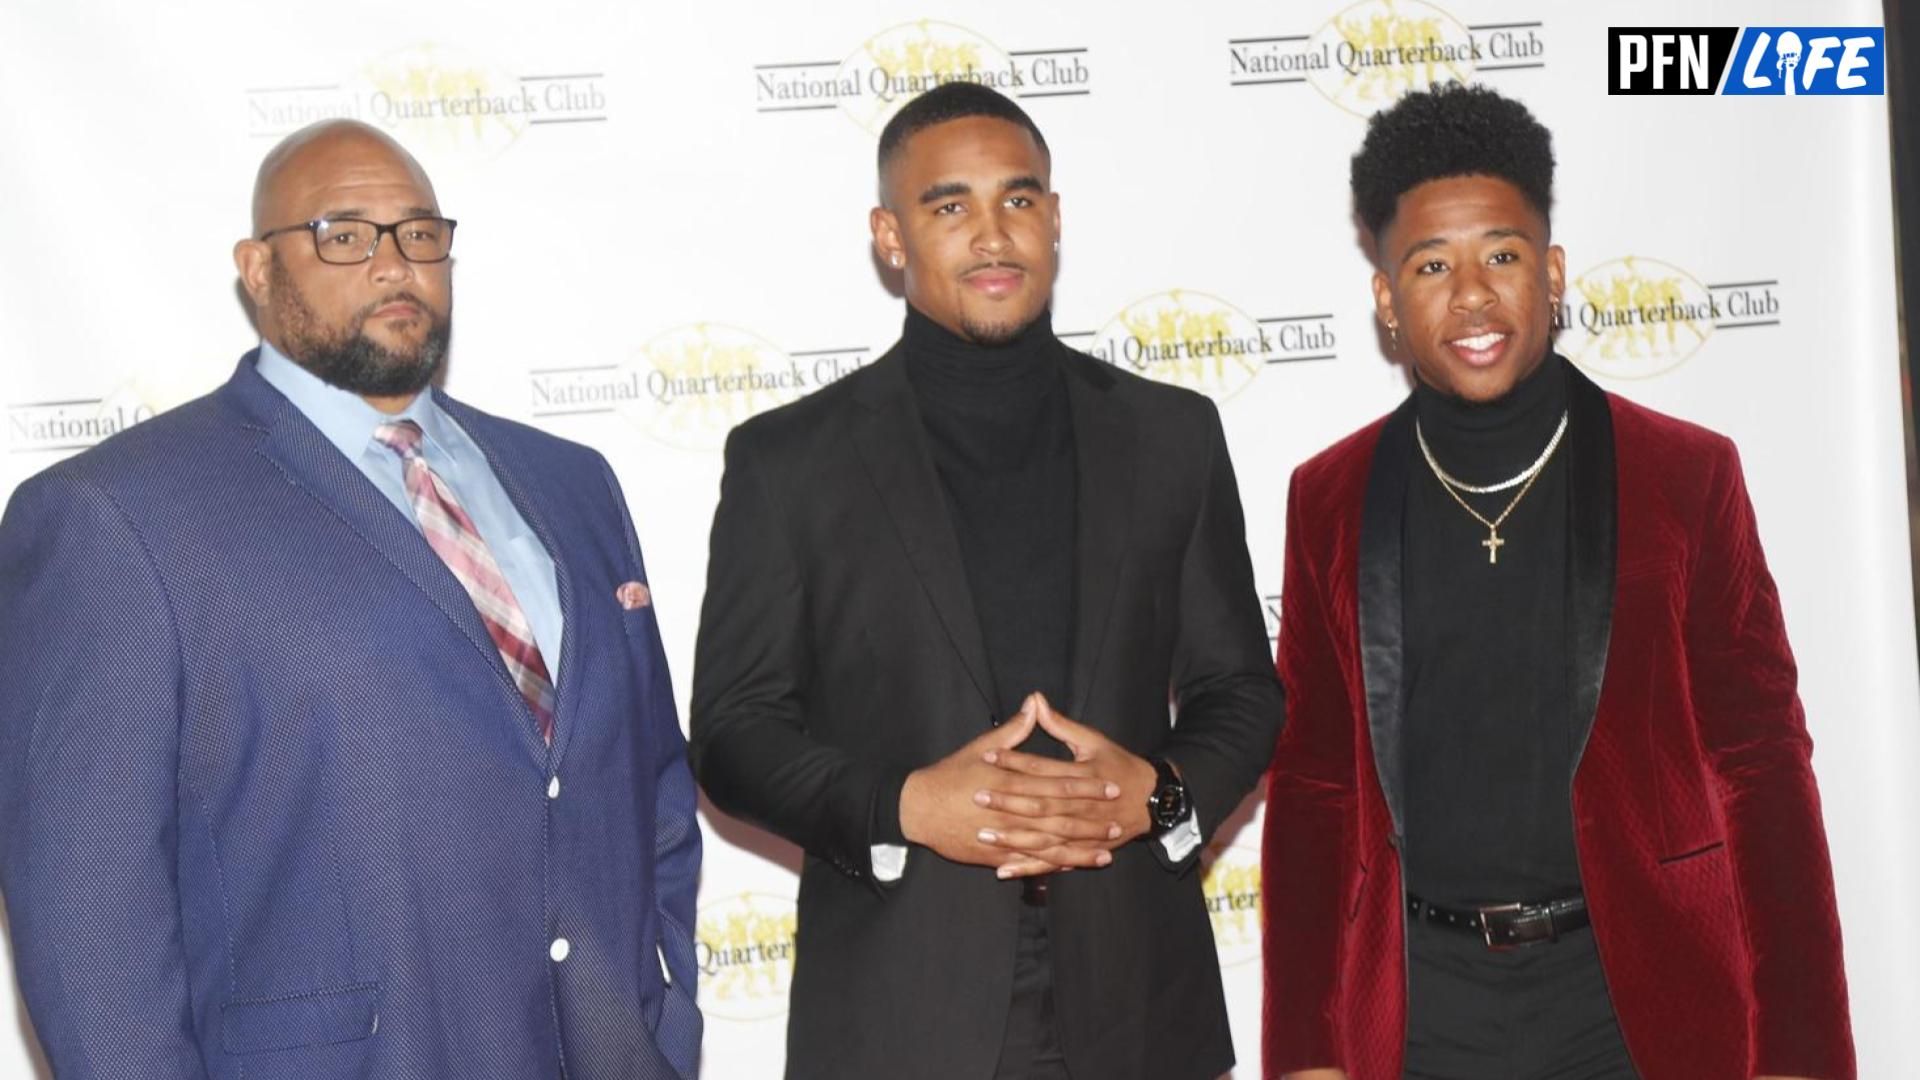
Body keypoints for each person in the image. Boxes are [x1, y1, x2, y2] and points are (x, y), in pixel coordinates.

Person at [0, 120, 701, 1080]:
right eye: (344, 235)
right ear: (257, 268)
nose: (392, 264)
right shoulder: (118, 516)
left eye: (419, 234)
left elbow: (651, 790)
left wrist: (667, 1026)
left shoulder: (571, 482)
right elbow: (90, 915)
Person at [689, 82, 1283, 1080]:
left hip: (1139, 1003)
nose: (992, 234)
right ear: (891, 236)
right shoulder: (790, 460)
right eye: (948, 205)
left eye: (1018, 199)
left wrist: (1163, 794)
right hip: (899, 1006)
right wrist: (903, 805)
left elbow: (1241, 691)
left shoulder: (1171, 435)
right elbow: (734, 732)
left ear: (1054, 219)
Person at [1260, 83, 1853, 1080]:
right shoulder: (1330, 497)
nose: (1473, 294)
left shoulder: (1683, 475)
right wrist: (1305, 1049)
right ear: (1386, 301)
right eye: (1431, 265)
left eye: (1502, 254)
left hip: (1634, 998)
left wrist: (1799, 1047)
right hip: (1419, 1007)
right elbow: (1315, 785)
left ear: (1554, 272)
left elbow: (1763, 761)